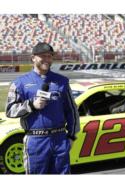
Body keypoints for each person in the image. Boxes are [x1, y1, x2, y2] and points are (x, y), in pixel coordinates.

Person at [5, 42, 80, 174]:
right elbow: (10, 110)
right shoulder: (20, 83)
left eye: (49, 56)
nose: (47, 59)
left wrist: (72, 136)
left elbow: (72, 111)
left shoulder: (62, 81)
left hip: (60, 139)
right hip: (35, 141)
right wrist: (31, 105)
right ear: (33, 58)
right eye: (43, 56)